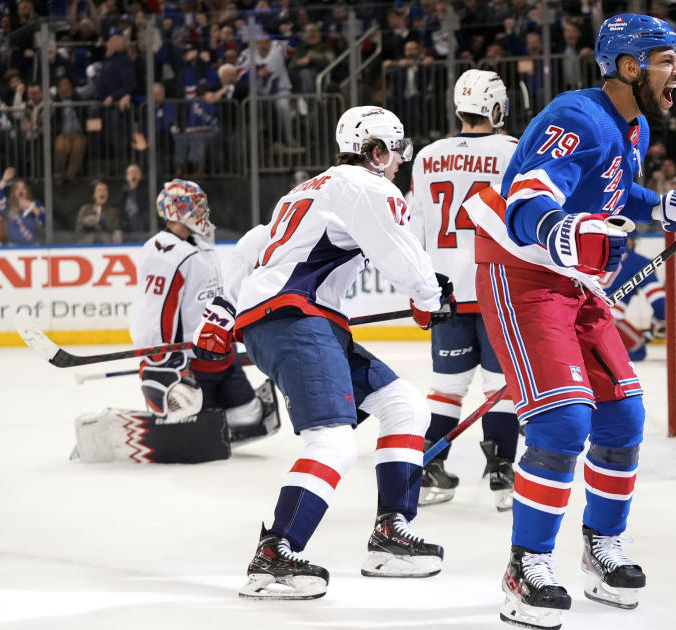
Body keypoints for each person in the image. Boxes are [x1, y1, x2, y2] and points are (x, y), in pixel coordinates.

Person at [462, 14, 676, 630]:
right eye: (668, 60)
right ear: (630, 66)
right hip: (522, 275)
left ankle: (600, 546)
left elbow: (614, 193)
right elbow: (529, 195)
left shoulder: (630, 123)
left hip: (573, 283)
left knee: (623, 415)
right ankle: (525, 563)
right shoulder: (575, 117)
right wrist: (564, 233)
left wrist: (674, 204)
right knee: (563, 419)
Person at [191, 106, 455, 599]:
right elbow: (399, 252)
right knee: (333, 443)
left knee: (406, 407)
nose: (399, 161)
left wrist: (225, 309)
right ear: (376, 152)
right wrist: (428, 297)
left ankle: (390, 535)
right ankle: (275, 555)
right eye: (396, 150)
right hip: (295, 320)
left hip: (297, 320)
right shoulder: (368, 187)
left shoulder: (310, 188)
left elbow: (253, 244)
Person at [408, 69, 520, 511]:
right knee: (501, 387)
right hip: (497, 286)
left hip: (445, 293)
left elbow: (413, 227)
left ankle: (432, 473)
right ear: (496, 107)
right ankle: (502, 475)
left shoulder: (428, 155)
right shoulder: (514, 150)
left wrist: (418, 290)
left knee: (445, 388)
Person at [112, 179, 278, 463]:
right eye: (196, 206)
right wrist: (160, 363)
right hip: (191, 362)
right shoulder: (163, 252)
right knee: (192, 412)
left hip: (221, 355)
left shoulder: (203, 244)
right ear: (177, 211)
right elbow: (153, 314)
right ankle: (177, 416)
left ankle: (203, 418)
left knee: (250, 415)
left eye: (202, 204)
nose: (204, 211)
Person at [600, 230, 665, 361]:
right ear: (628, 240)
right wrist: (659, 320)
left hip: (574, 313)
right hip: (607, 316)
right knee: (638, 348)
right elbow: (660, 303)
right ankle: (599, 358)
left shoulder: (595, 253)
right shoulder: (639, 261)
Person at [75, 180, 123, 244]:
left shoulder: (113, 211)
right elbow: (77, 227)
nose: (102, 192)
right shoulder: (85, 208)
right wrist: (86, 224)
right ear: (94, 194)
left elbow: (117, 230)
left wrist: (103, 223)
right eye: (99, 190)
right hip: (87, 244)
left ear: (108, 194)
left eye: (105, 190)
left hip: (106, 244)